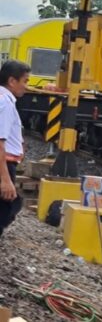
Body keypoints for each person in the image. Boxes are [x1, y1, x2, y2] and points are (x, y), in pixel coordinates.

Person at [0, 60, 29, 239]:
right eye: (25, 81)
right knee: (7, 209)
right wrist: (5, 180)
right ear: (12, 81)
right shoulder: (5, 103)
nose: (26, 86)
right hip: (4, 164)